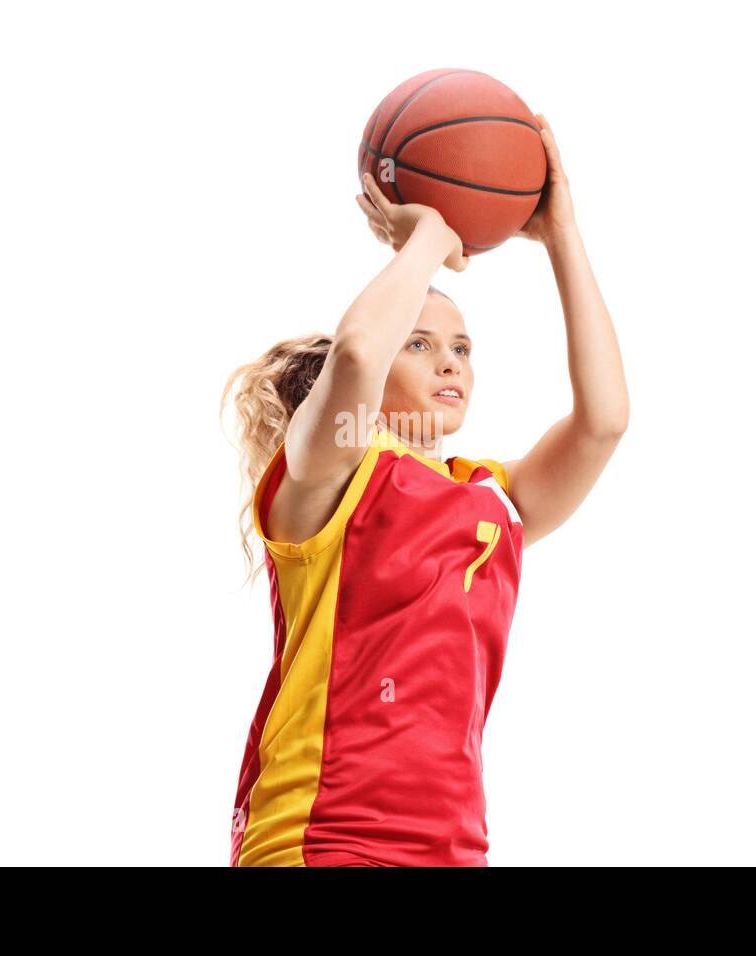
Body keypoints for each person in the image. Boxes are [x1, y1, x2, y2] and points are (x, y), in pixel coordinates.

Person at [219, 115, 629, 866]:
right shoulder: (327, 471)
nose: (451, 364)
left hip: (451, 851)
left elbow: (602, 423)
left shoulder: (490, 500)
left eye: (462, 348)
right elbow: (355, 350)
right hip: (323, 840)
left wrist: (561, 234)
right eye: (420, 343)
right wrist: (431, 237)